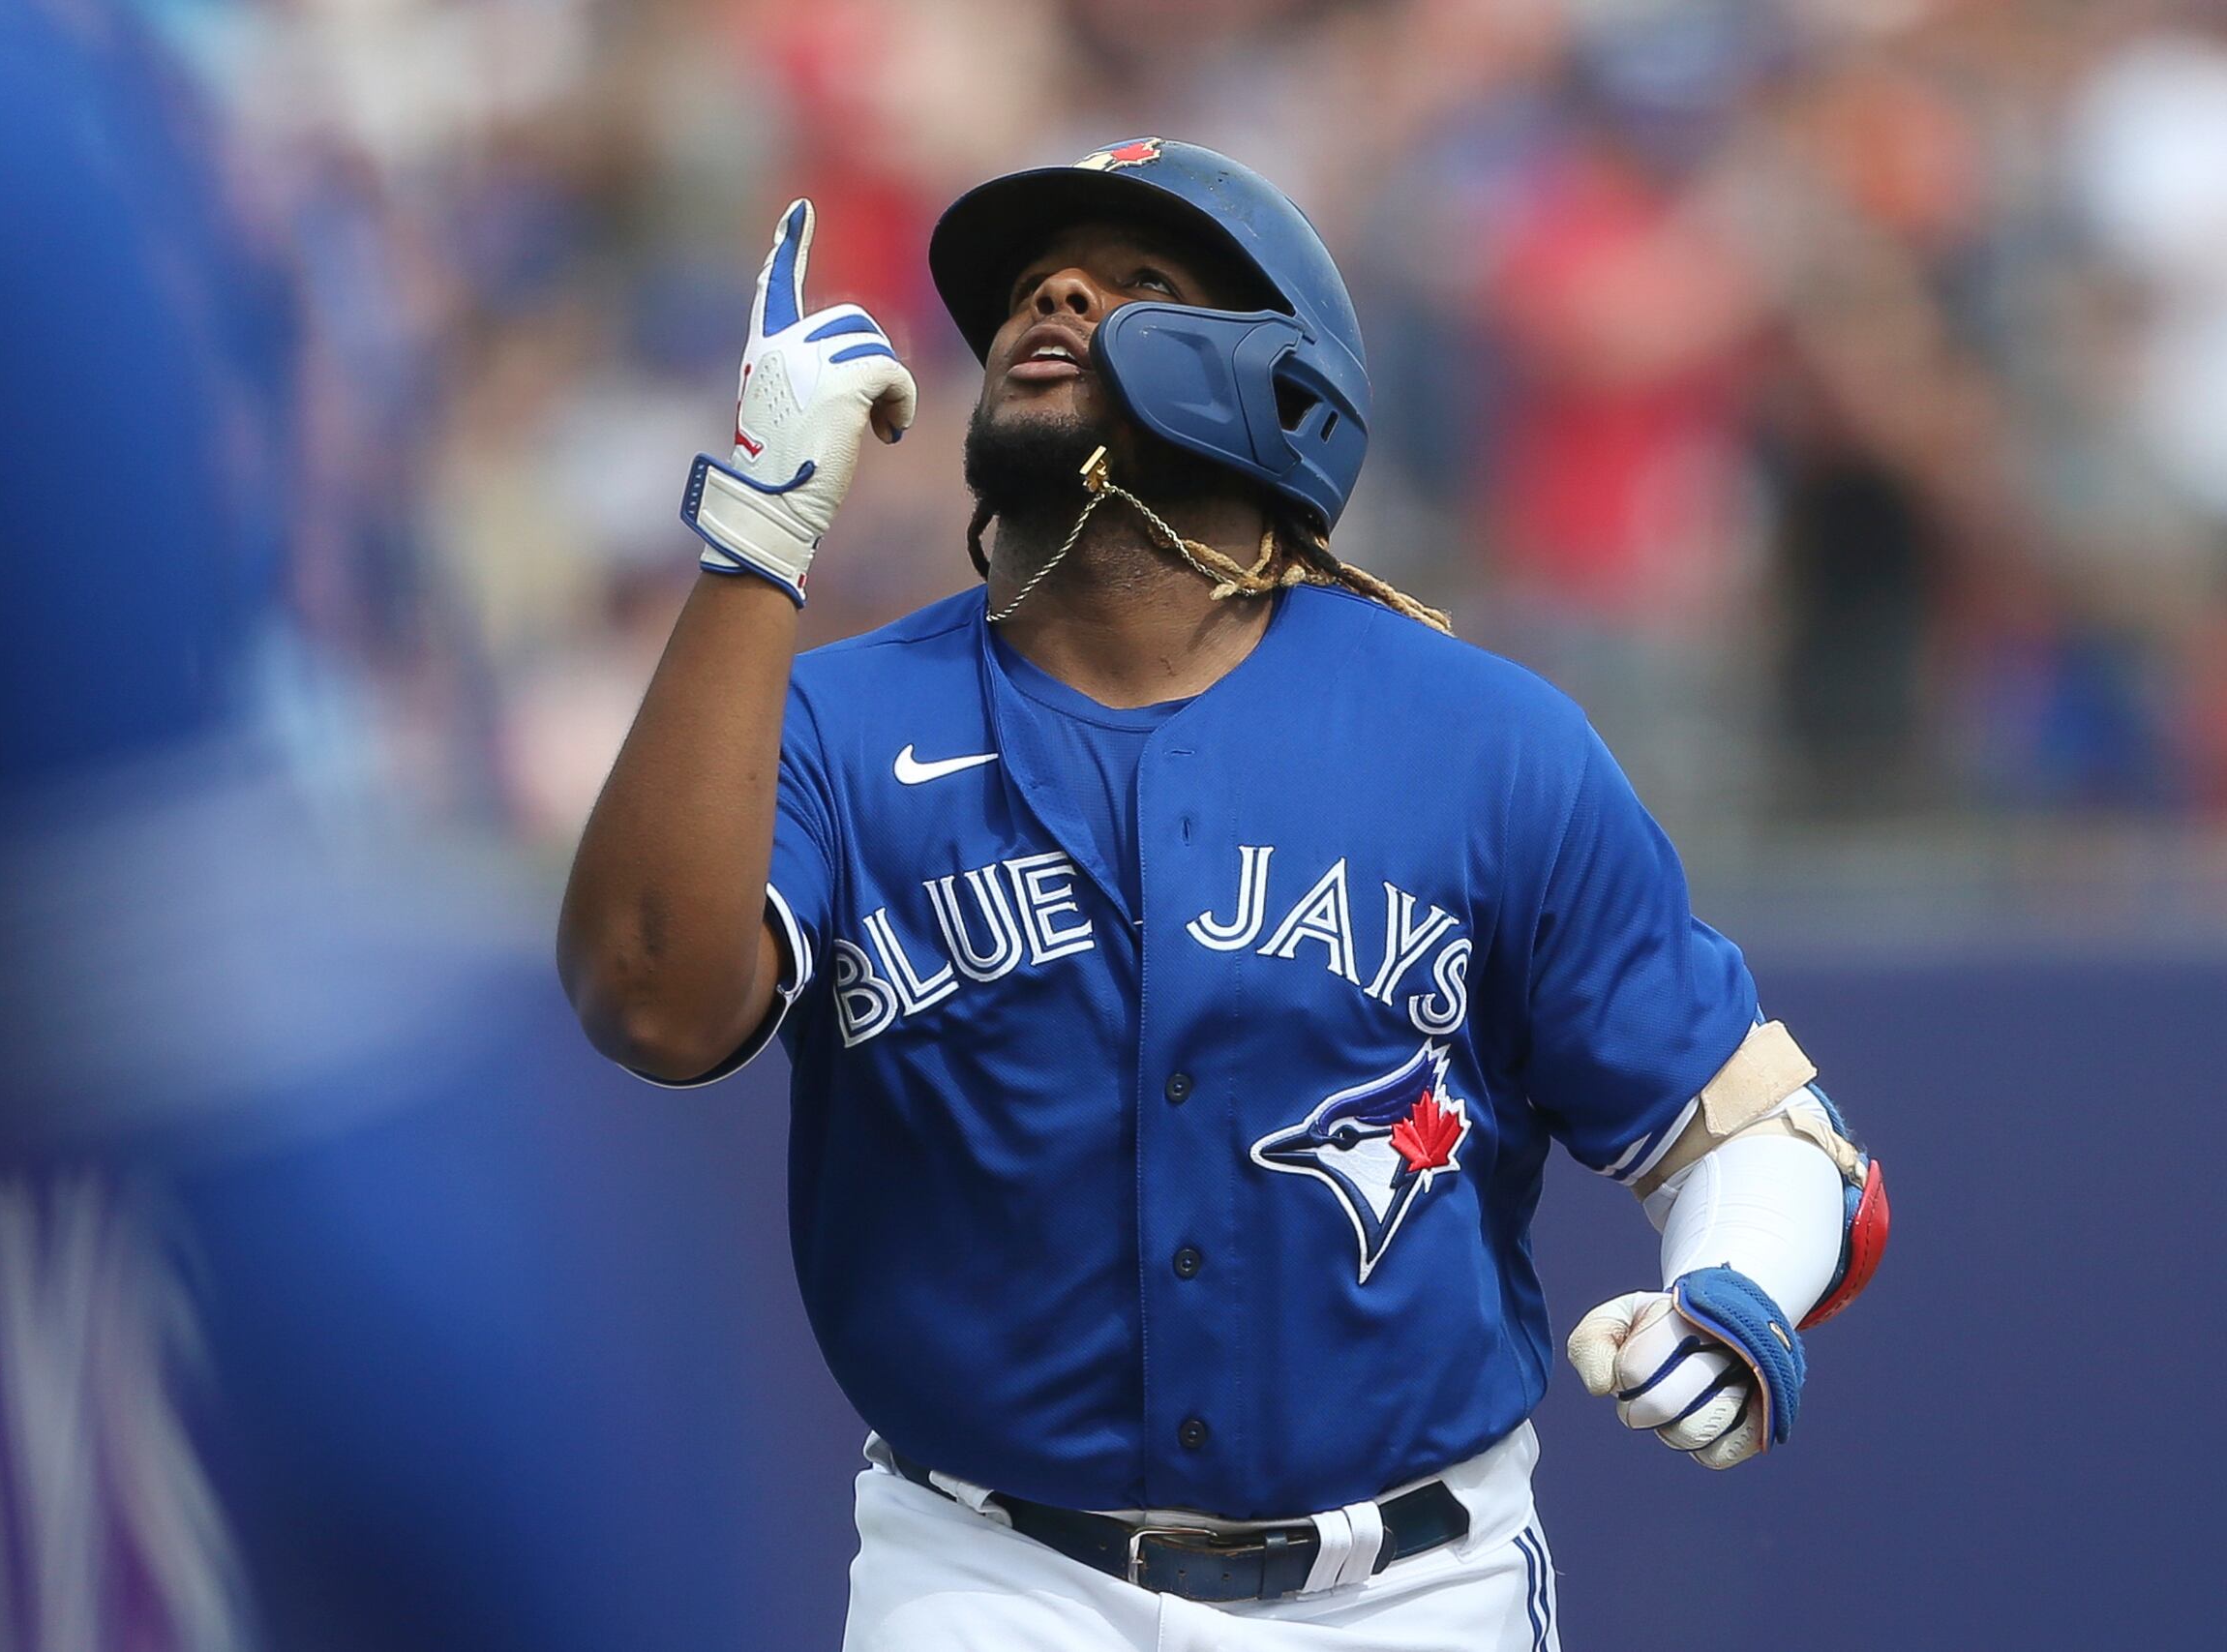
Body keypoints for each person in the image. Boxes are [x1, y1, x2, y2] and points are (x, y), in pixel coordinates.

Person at [558, 138, 1889, 1649]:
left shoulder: (1483, 741)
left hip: (1414, 1588)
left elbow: (1756, 1130)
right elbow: (650, 1000)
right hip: (992, 1579)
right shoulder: (840, 723)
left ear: (1290, 387)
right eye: (1031, 284)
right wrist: (756, 537)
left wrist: (1732, 1294)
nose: (1050, 294)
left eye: (1140, 281)